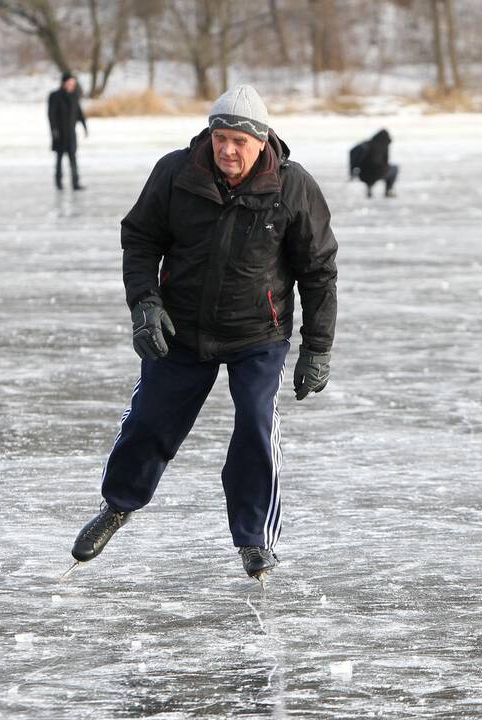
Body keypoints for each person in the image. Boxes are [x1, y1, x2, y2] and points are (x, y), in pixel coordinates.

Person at [69, 84, 338, 580]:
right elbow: (141, 239)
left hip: (259, 332)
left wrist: (316, 349)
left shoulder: (292, 186)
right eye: (220, 137)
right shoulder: (177, 172)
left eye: (238, 140)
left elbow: (318, 271)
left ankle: (254, 541)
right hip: (182, 328)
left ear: (262, 141)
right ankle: (117, 507)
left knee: (256, 427)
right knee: (149, 422)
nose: (227, 149)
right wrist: (145, 305)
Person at [48, 72, 88, 190]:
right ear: (64, 83)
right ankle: (58, 183)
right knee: (59, 158)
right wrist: (54, 130)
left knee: (73, 158)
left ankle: (75, 183)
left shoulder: (74, 96)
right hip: (60, 134)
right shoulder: (55, 96)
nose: (72, 86)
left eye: (73, 84)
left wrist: (84, 126)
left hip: (71, 133)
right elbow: (51, 114)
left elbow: (79, 112)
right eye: (70, 83)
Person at [351, 129, 398, 198]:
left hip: (363, 174)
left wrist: (352, 171)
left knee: (372, 170)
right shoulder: (384, 145)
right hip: (377, 173)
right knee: (394, 169)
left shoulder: (367, 144)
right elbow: (385, 162)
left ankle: (369, 188)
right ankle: (388, 190)